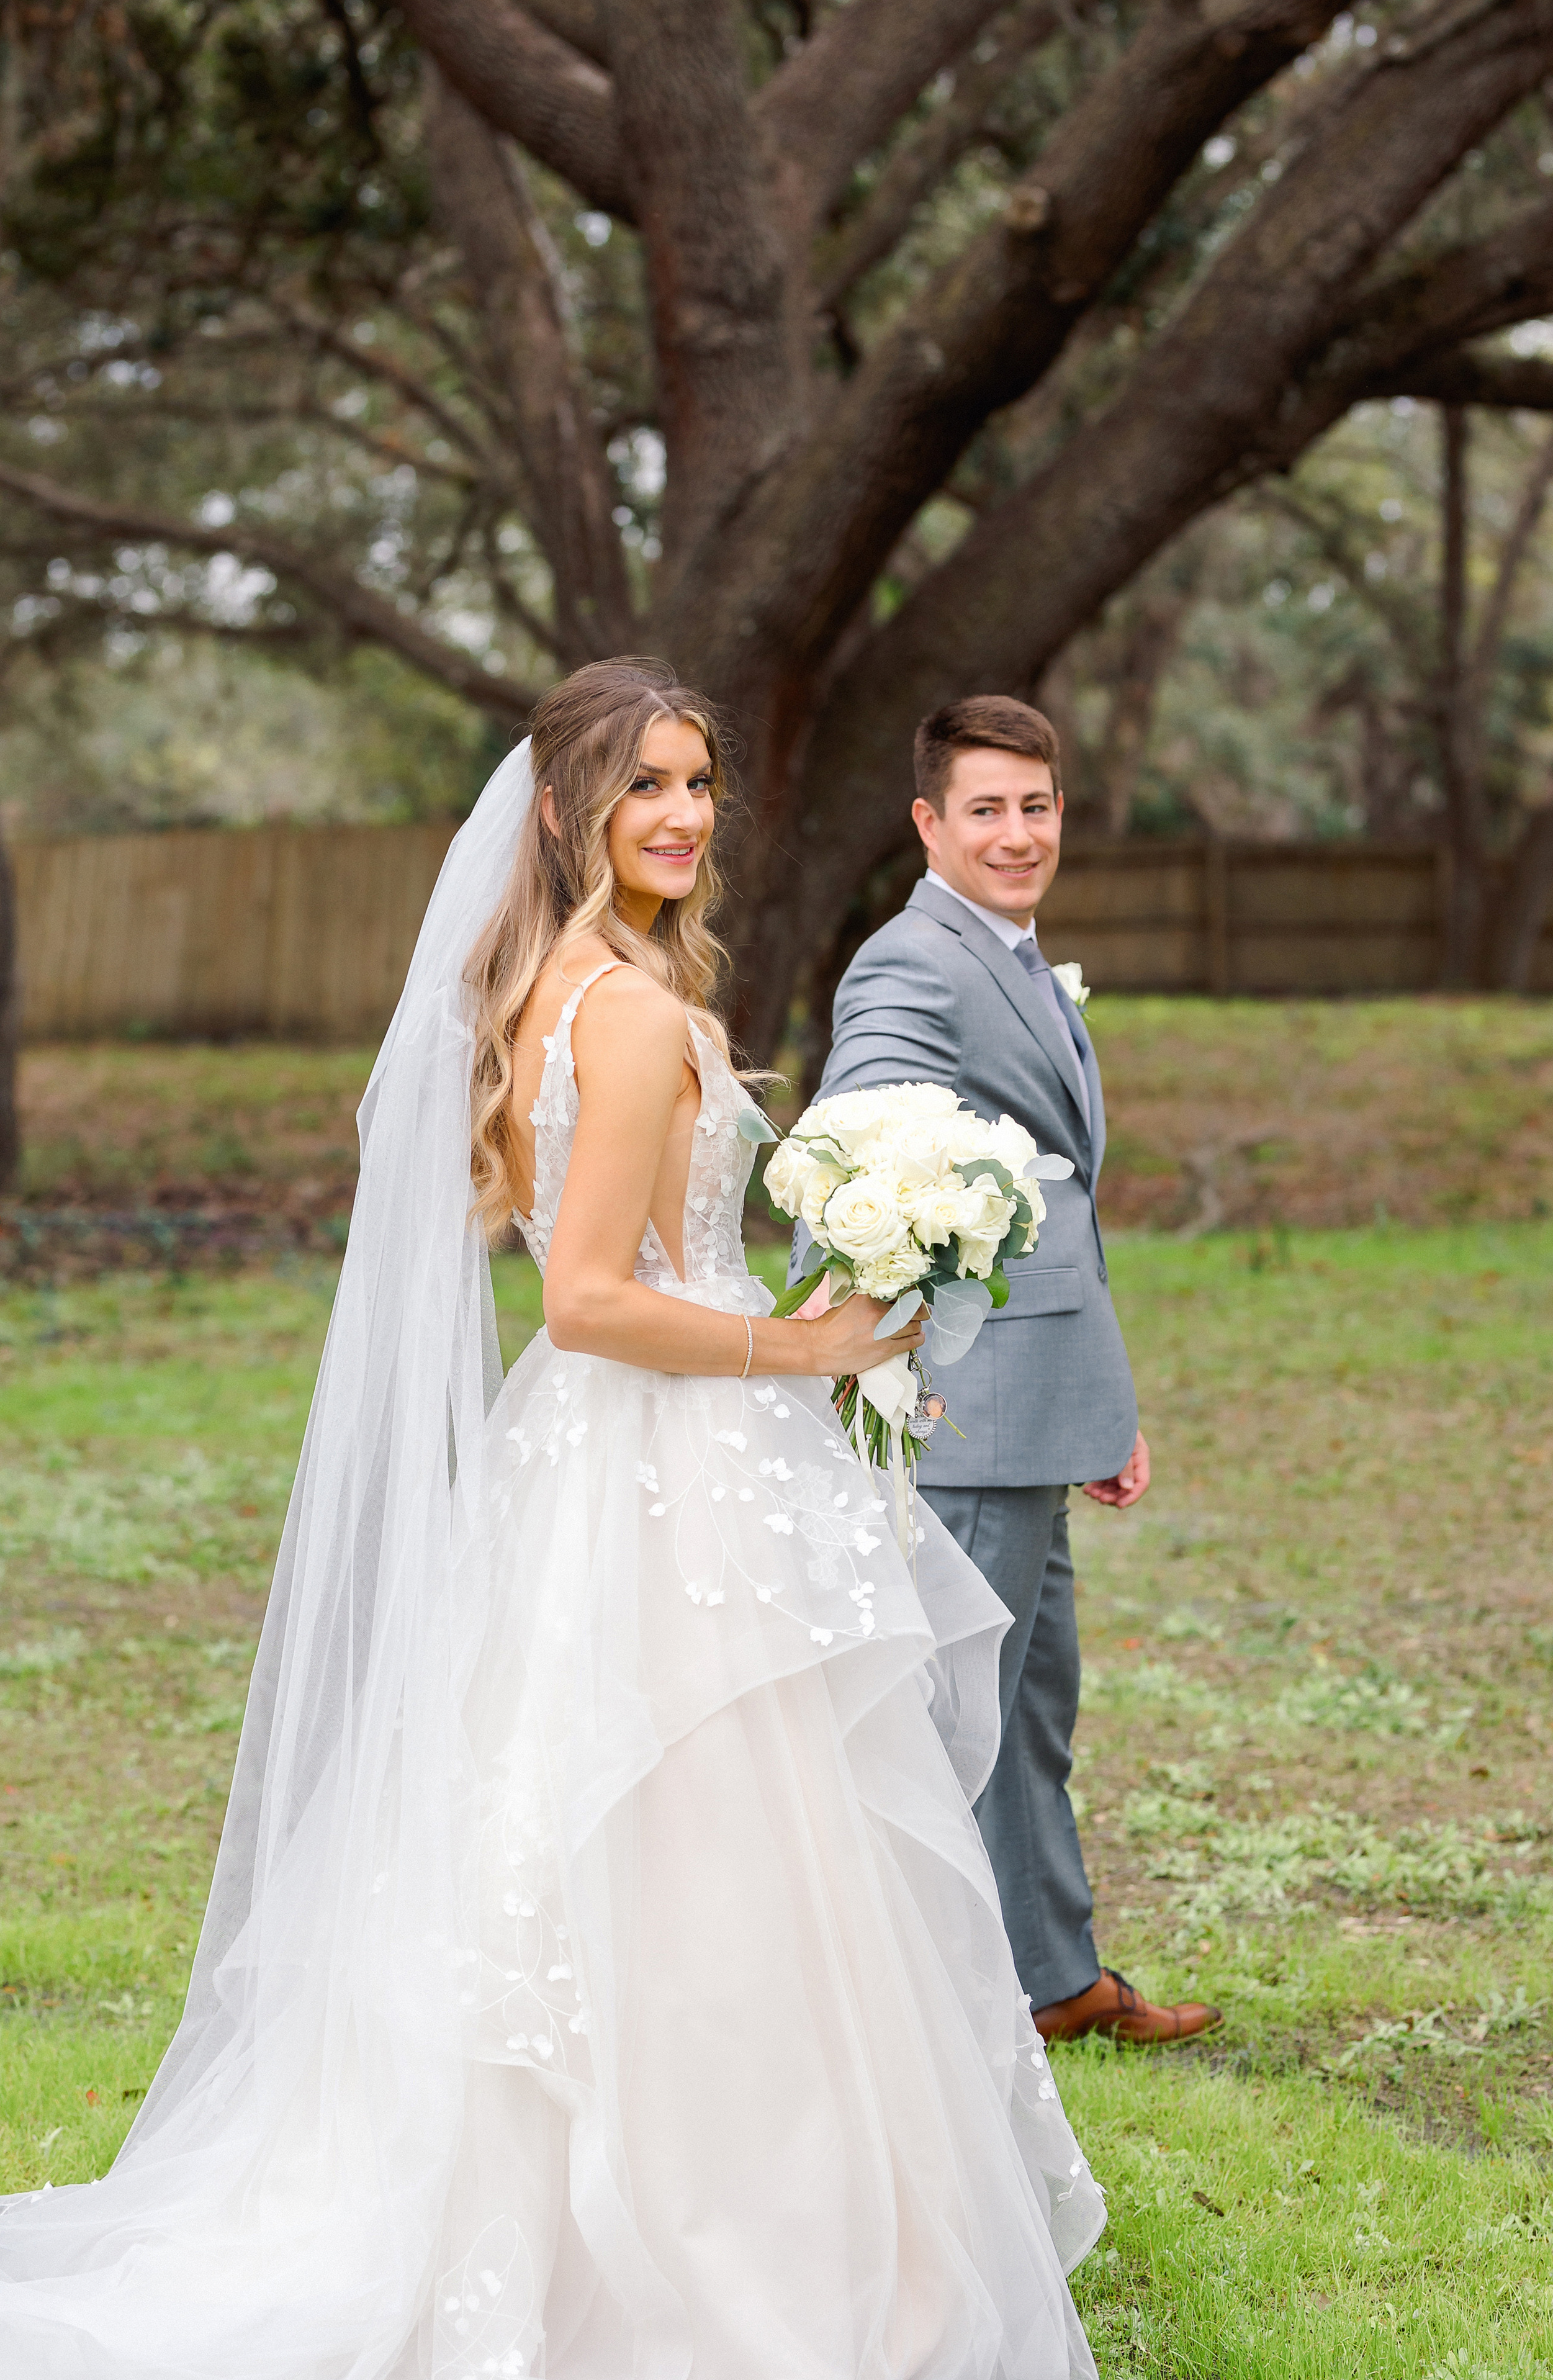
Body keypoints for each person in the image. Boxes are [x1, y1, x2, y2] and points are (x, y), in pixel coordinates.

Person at [0, 659, 1103, 2379]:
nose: (680, 816)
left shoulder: (545, 993)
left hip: (605, 1468)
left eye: (698, 785)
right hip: (664, 1474)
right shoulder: (638, 1013)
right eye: (645, 786)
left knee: (618, 1844)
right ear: (566, 810)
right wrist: (798, 1341)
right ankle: (726, 2249)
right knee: (709, 1848)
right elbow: (588, 1299)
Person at [801, 695, 1221, 2049]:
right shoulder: (910, 965)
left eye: (1034, 806)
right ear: (927, 822)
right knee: (954, 1717)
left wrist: (1098, 1408)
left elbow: (1063, 1207)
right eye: (984, 808)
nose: (1015, 832)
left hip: (1041, 1403)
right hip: (965, 1409)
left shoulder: (1017, 956)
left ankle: (1049, 1980)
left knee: (1029, 1707)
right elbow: (854, 1148)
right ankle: (918, 2000)